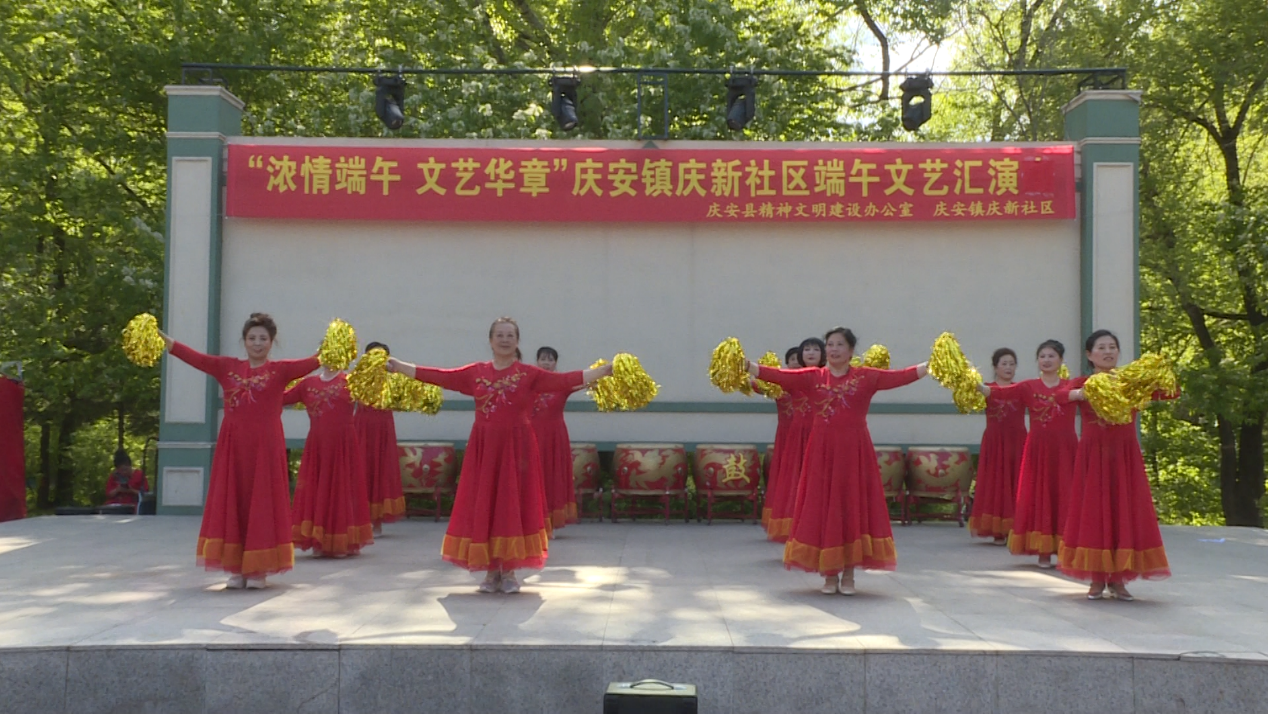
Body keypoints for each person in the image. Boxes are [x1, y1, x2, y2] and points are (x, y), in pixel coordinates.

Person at [386, 317, 614, 594]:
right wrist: (399, 366)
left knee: (512, 505)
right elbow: (440, 376)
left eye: (510, 335)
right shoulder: (475, 372)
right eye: (500, 335)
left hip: (517, 448)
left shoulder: (529, 374)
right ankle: (490, 571)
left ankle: (510, 572)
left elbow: (564, 380)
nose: (505, 340)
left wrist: (603, 371)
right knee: (486, 504)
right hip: (484, 450)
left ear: (517, 341)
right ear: (491, 340)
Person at [747, 327, 929, 595]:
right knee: (823, 508)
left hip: (855, 453)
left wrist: (931, 365)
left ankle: (849, 575)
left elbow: (899, 377)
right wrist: (748, 366)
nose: (833, 349)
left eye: (839, 344)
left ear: (851, 350)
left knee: (851, 507)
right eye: (830, 344)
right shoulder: (813, 377)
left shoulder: (866, 377)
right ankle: (829, 575)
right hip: (821, 453)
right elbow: (780, 376)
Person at [160, 313, 319, 589]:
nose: (257, 343)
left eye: (263, 338)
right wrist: (165, 341)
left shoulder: (281, 370)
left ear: (272, 341)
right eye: (252, 338)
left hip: (266, 447)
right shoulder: (227, 367)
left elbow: (316, 360)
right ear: (244, 341)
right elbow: (195, 358)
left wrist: (338, 344)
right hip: (233, 447)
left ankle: (259, 570)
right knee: (233, 501)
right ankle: (235, 568)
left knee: (262, 502)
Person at [1059, 330, 1177, 601]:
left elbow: (1170, 393)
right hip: (1094, 456)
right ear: (1089, 354)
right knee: (1094, 512)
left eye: (1112, 347)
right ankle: (1097, 579)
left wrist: (1161, 371)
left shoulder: (1129, 380)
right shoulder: (1084, 382)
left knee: (1124, 511)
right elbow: (1059, 397)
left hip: (1124, 455)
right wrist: (1082, 394)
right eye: (1101, 347)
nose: (1108, 351)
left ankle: (1119, 579)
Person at [978, 340, 1078, 567]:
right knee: (1040, 496)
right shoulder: (1028, 387)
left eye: (1051, 356)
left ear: (1061, 360)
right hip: (1038, 450)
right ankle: (1043, 551)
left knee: (1066, 495)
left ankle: (1067, 550)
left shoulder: (1071, 386)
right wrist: (970, 383)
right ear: (1037, 361)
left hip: (1065, 450)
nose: (1046, 360)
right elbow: (999, 393)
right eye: (1042, 356)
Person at [284, 366, 374, 558]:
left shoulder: (352, 381)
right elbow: (280, 398)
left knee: (341, 489)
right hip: (317, 445)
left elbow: (379, 398)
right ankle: (319, 540)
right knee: (317, 489)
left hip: (343, 446)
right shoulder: (307, 384)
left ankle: (342, 540)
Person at [762, 338, 827, 542]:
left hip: (822, 436)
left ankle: (822, 525)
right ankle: (796, 526)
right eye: (807, 349)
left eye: (815, 349)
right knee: (795, 481)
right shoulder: (792, 380)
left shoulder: (829, 377)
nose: (811, 352)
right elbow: (767, 382)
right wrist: (744, 371)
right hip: (798, 437)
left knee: (821, 481)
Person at [967, 348, 1027, 544]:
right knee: (996, 482)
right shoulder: (986, 388)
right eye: (1004, 364)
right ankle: (998, 531)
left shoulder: (1022, 389)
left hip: (1018, 441)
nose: (1008, 367)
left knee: (1017, 481)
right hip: (995, 442)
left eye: (1012, 364)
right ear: (995, 367)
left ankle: (1016, 528)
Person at [530, 346, 586, 532]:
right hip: (531, 434)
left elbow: (585, 381)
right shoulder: (528, 382)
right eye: (543, 359)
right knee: (531, 477)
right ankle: (532, 522)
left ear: (555, 363)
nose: (546, 363)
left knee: (552, 477)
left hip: (554, 437)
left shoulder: (562, 383)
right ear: (537, 361)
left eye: (550, 359)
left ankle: (550, 523)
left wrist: (606, 373)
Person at [355, 341, 405, 536]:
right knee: (361, 469)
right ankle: (360, 521)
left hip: (383, 429)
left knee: (381, 471)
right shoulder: (357, 378)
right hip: (361, 428)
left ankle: (377, 523)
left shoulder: (392, 378)